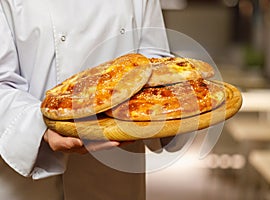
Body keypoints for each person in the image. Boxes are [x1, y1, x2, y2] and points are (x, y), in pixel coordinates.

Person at [0, 0, 173, 199]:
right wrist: (40, 127)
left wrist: (170, 104)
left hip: (115, 169)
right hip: (29, 175)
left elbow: (154, 65)